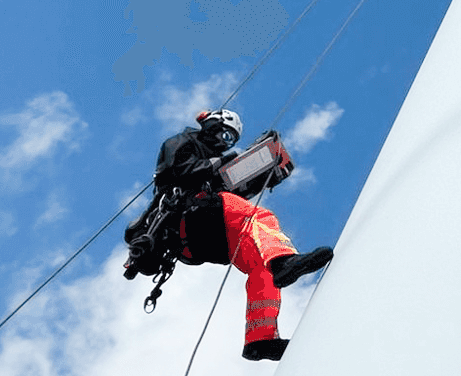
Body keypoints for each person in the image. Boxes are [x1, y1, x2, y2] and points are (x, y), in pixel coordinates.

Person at [122, 109, 332, 361]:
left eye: (230, 139)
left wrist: (259, 174)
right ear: (210, 124)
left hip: (207, 234)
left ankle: (260, 340)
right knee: (260, 217)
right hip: (189, 216)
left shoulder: (215, 169)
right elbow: (182, 169)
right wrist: (223, 162)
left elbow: (228, 192)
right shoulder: (182, 142)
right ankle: (282, 260)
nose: (224, 142)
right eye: (224, 134)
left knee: (261, 266)